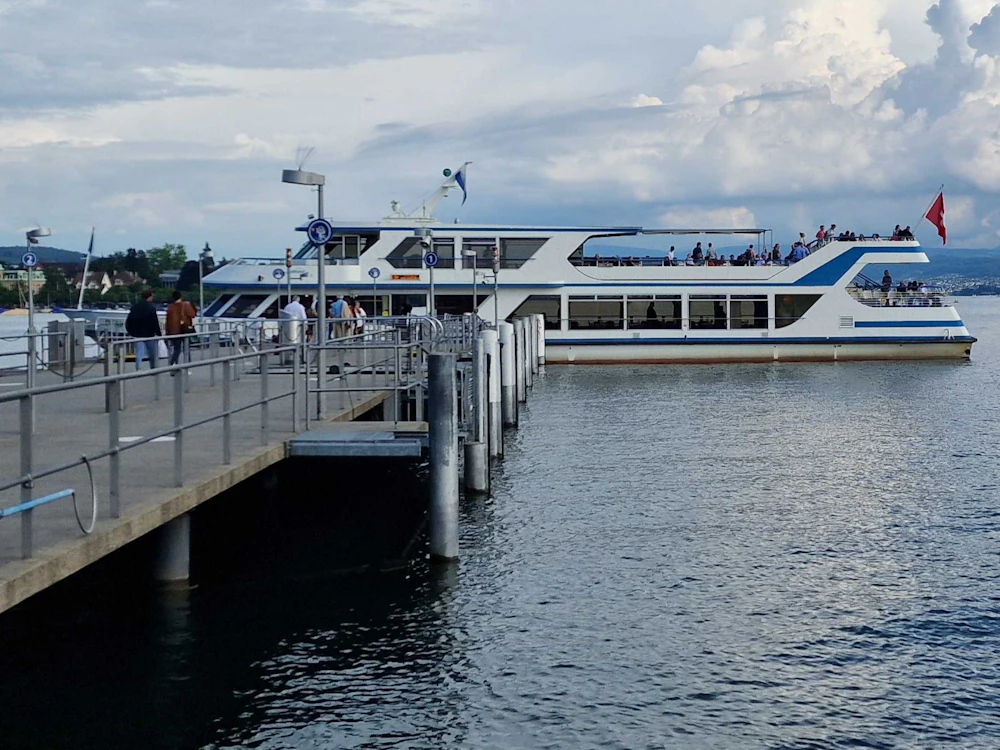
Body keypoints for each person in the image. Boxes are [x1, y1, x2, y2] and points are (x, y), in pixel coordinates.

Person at [125, 290, 162, 371]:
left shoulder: (135, 306)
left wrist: (130, 331)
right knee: (152, 353)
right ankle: (153, 368)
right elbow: (154, 321)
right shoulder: (151, 307)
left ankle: (138, 368)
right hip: (149, 333)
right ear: (149, 297)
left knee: (139, 352)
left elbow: (129, 320)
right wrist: (158, 333)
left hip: (137, 333)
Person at [164, 290, 197, 368]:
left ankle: (173, 363)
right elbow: (193, 314)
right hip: (184, 330)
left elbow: (167, 320)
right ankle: (188, 364)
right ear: (181, 297)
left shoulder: (170, 307)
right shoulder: (185, 305)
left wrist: (167, 331)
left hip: (174, 331)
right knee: (186, 348)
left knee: (176, 349)